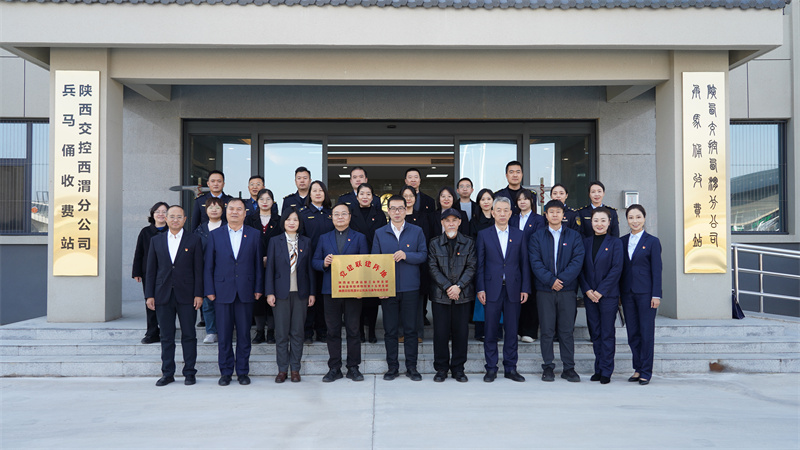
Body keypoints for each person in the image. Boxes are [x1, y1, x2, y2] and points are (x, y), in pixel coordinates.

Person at [204, 198, 264, 386]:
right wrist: (209, 289)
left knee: (244, 335)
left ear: (245, 213)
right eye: (231, 209)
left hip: (246, 291)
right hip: (221, 291)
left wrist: (258, 288)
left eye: (239, 209)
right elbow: (208, 265)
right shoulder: (215, 235)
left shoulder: (254, 234)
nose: (235, 212)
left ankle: (243, 372)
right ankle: (226, 372)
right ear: (225, 211)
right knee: (224, 336)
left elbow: (258, 265)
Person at [145, 205, 204, 386]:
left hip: (187, 295)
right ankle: (167, 373)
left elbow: (198, 270)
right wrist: (149, 295)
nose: (175, 220)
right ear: (166, 218)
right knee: (166, 336)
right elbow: (151, 271)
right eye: (171, 216)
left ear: (185, 219)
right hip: (163, 295)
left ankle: (189, 372)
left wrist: (199, 294)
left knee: (189, 335)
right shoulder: (156, 240)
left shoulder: (194, 240)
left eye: (179, 217)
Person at [529, 199, 585, 383]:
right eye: (551, 212)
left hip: (567, 290)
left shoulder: (574, 236)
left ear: (563, 215)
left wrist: (561, 280)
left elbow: (577, 261)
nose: (554, 215)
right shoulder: (537, 236)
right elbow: (535, 262)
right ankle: (548, 367)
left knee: (566, 331)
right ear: (546, 215)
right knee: (546, 330)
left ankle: (569, 368)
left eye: (558, 212)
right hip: (545, 290)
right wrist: (551, 280)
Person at [312, 203, 370, 382]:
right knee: (332, 331)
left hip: (353, 291)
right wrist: (324, 263)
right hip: (330, 291)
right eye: (336, 214)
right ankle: (334, 368)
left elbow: (366, 264)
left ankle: (353, 367)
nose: (340, 217)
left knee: (353, 330)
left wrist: (362, 289)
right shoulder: (324, 238)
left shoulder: (359, 237)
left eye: (344, 214)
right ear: (332, 217)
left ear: (350, 217)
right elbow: (314, 261)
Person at [373, 195, 428, 381]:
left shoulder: (417, 231)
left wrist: (406, 255)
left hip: (410, 287)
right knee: (390, 331)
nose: (397, 212)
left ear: (406, 210)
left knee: (411, 330)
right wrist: (379, 288)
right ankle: (392, 368)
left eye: (400, 208)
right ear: (388, 211)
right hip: (387, 288)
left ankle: (412, 367)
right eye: (393, 209)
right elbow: (375, 260)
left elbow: (423, 255)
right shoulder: (380, 233)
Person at [476, 196, 530, 383]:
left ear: (510, 213)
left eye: (505, 210)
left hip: (514, 289)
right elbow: (480, 264)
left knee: (512, 331)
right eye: (498, 210)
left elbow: (524, 264)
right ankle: (491, 368)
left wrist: (525, 288)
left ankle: (510, 368)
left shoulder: (519, 234)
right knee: (490, 331)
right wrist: (480, 288)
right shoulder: (484, 234)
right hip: (491, 289)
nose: (502, 213)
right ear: (492, 213)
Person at [265, 209, 316, 383]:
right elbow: (270, 269)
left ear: (300, 223)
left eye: (295, 219)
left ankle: (295, 369)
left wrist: (312, 293)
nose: (292, 222)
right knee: (281, 334)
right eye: (288, 219)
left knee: (297, 332)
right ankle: (282, 370)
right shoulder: (275, 241)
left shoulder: (306, 242)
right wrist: (270, 292)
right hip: (280, 294)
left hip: (301, 294)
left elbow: (310, 270)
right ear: (283, 222)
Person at [428, 208, 476, 383]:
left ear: (459, 222)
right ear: (442, 222)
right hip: (441, 296)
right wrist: (448, 287)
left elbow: (471, 267)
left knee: (461, 333)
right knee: (440, 334)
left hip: (462, 296)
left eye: (454, 220)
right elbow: (432, 267)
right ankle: (441, 369)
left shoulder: (469, 243)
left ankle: (458, 369)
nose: (451, 224)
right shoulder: (434, 243)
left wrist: (459, 286)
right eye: (447, 220)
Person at [578, 207, 624, 384]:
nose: (599, 224)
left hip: (608, 296)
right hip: (590, 296)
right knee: (595, 332)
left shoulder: (616, 243)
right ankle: (598, 368)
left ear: (609, 222)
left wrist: (600, 291)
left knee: (607, 333)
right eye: (596, 220)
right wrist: (587, 290)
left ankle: (606, 370)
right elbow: (581, 269)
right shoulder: (585, 242)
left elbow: (616, 269)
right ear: (591, 222)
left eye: (603, 220)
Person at [620, 204, 662, 386]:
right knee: (633, 333)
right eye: (631, 217)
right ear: (627, 220)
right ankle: (637, 368)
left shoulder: (652, 241)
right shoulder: (622, 241)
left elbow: (657, 270)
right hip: (627, 293)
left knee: (646, 333)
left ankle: (646, 371)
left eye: (638, 217)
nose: (634, 221)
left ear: (644, 218)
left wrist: (656, 295)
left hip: (646, 294)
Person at [347, 183, 387, 343]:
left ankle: (371, 331)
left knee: (372, 299)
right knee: (358, 298)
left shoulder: (379, 214)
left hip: (374, 259)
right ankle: (360, 332)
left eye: (368, 194)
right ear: (357, 197)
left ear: (373, 197)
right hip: (355, 259)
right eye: (362, 194)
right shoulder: (350, 213)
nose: (365, 197)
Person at [244, 188, 282, 345]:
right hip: (254, 264)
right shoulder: (249, 220)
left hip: (276, 265)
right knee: (258, 298)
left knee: (272, 297)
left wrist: (270, 259)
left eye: (268, 199)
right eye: (261, 199)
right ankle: (259, 331)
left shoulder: (280, 220)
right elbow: (246, 243)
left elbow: (282, 242)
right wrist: (259, 259)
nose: (265, 202)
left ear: (273, 202)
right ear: (257, 202)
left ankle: (271, 331)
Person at [509, 189, 547, 344]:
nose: (522, 202)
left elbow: (538, 240)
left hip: (532, 262)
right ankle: (517, 330)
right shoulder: (513, 219)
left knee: (530, 298)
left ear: (531, 201)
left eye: (525, 199)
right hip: (514, 262)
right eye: (519, 199)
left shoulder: (539, 219)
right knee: (515, 297)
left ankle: (530, 331)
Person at [299, 180, 334, 344]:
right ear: (310, 194)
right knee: (309, 296)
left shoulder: (331, 213)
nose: (318, 193)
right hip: (309, 262)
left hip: (328, 263)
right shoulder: (303, 214)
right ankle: (307, 332)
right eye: (314, 191)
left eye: (321, 190)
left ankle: (322, 330)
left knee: (323, 298)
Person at [132, 201, 169, 344]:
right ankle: (152, 332)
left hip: (167, 273)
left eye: (164, 211)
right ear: (153, 214)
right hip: (149, 272)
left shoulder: (172, 231)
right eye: (157, 212)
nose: (161, 214)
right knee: (150, 301)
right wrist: (137, 272)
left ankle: (166, 331)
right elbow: (139, 253)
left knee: (166, 302)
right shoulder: (145, 232)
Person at [193, 197, 225, 344]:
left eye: (217, 207)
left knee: (224, 302)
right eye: (211, 207)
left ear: (222, 210)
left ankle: (224, 330)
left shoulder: (228, 227)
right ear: (206, 211)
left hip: (224, 270)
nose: (214, 210)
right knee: (207, 303)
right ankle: (211, 331)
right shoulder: (199, 230)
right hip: (205, 270)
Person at [469, 188, 495, 342]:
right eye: (483, 199)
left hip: (497, 263)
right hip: (480, 262)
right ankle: (481, 331)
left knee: (496, 297)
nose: (486, 202)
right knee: (481, 297)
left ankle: (496, 331)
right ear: (478, 202)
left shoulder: (498, 218)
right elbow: (472, 243)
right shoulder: (474, 221)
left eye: (489, 199)